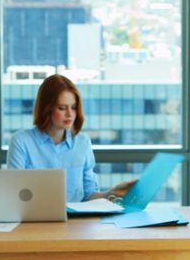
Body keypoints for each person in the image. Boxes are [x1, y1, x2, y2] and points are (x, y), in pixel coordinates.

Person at [7, 74, 135, 203]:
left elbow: (89, 196)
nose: (70, 114)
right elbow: (13, 194)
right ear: (46, 109)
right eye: (62, 108)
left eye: (73, 107)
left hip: (75, 221)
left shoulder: (82, 142)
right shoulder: (21, 141)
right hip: (34, 221)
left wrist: (111, 193)